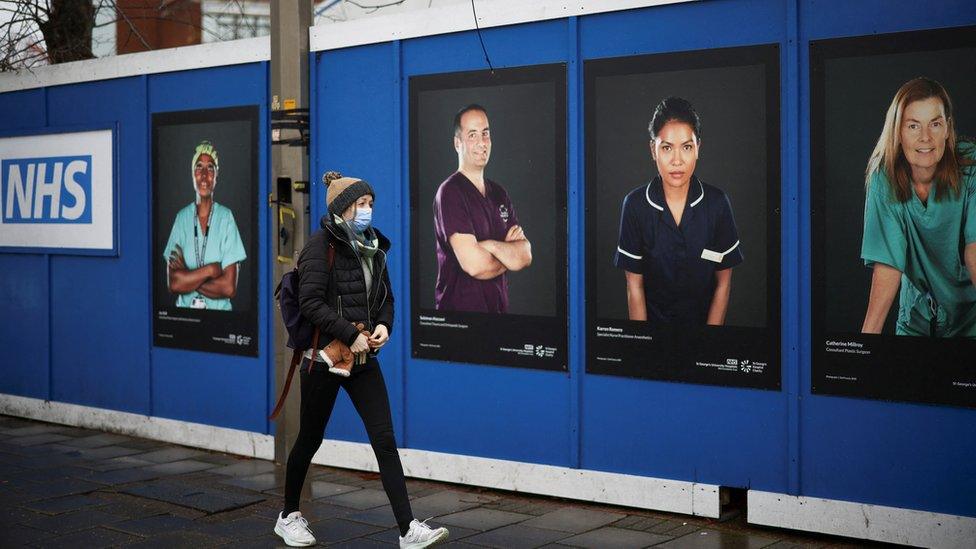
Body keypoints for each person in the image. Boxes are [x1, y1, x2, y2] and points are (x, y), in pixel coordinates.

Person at [274, 171, 449, 548]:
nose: (368, 210)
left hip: (364, 358)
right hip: (325, 358)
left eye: (370, 203)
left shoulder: (372, 246)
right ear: (343, 209)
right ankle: (288, 515)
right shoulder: (321, 247)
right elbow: (310, 303)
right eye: (361, 204)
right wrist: (350, 334)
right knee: (310, 437)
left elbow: (385, 296)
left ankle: (408, 530)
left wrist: (384, 324)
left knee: (384, 438)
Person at [860, 77, 976, 337]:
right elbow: (888, 265)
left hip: (971, 320)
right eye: (913, 126)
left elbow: (974, 252)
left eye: (935, 124)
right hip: (916, 320)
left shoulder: (972, 167)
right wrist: (862, 354)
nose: (926, 137)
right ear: (898, 132)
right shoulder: (883, 177)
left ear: (947, 128)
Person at [614, 96, 743, 325]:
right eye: (666, 148)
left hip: (703, 338)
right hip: (653, 340)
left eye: (686, 147)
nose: (677, 160)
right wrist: (642, 345)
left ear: (697, 148)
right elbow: (634, 286)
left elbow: (724, 283)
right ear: (653, 150)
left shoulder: (717, 204)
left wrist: (707, 344)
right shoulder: (635, 205)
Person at [432, 104, 532, 313]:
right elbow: (474, 265)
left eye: (485, 134)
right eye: (472, 135)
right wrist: (507, 252)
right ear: (457, 143)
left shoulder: (499, 193)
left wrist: (489, 246)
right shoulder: (450, 192)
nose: (481, 143)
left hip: (497, 318)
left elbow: (525, 255)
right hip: (459, 323)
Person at [163, 140, 246, 310]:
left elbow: (229, 287)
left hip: (220, 321)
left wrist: (188, 277)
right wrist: (209, 270)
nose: (204, 175)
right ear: (192, 174)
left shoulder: (226, 218)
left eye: (210, 168)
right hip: (185, 320)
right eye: (199, 166)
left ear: (216, 175)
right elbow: (173, 283)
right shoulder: (182, 218)